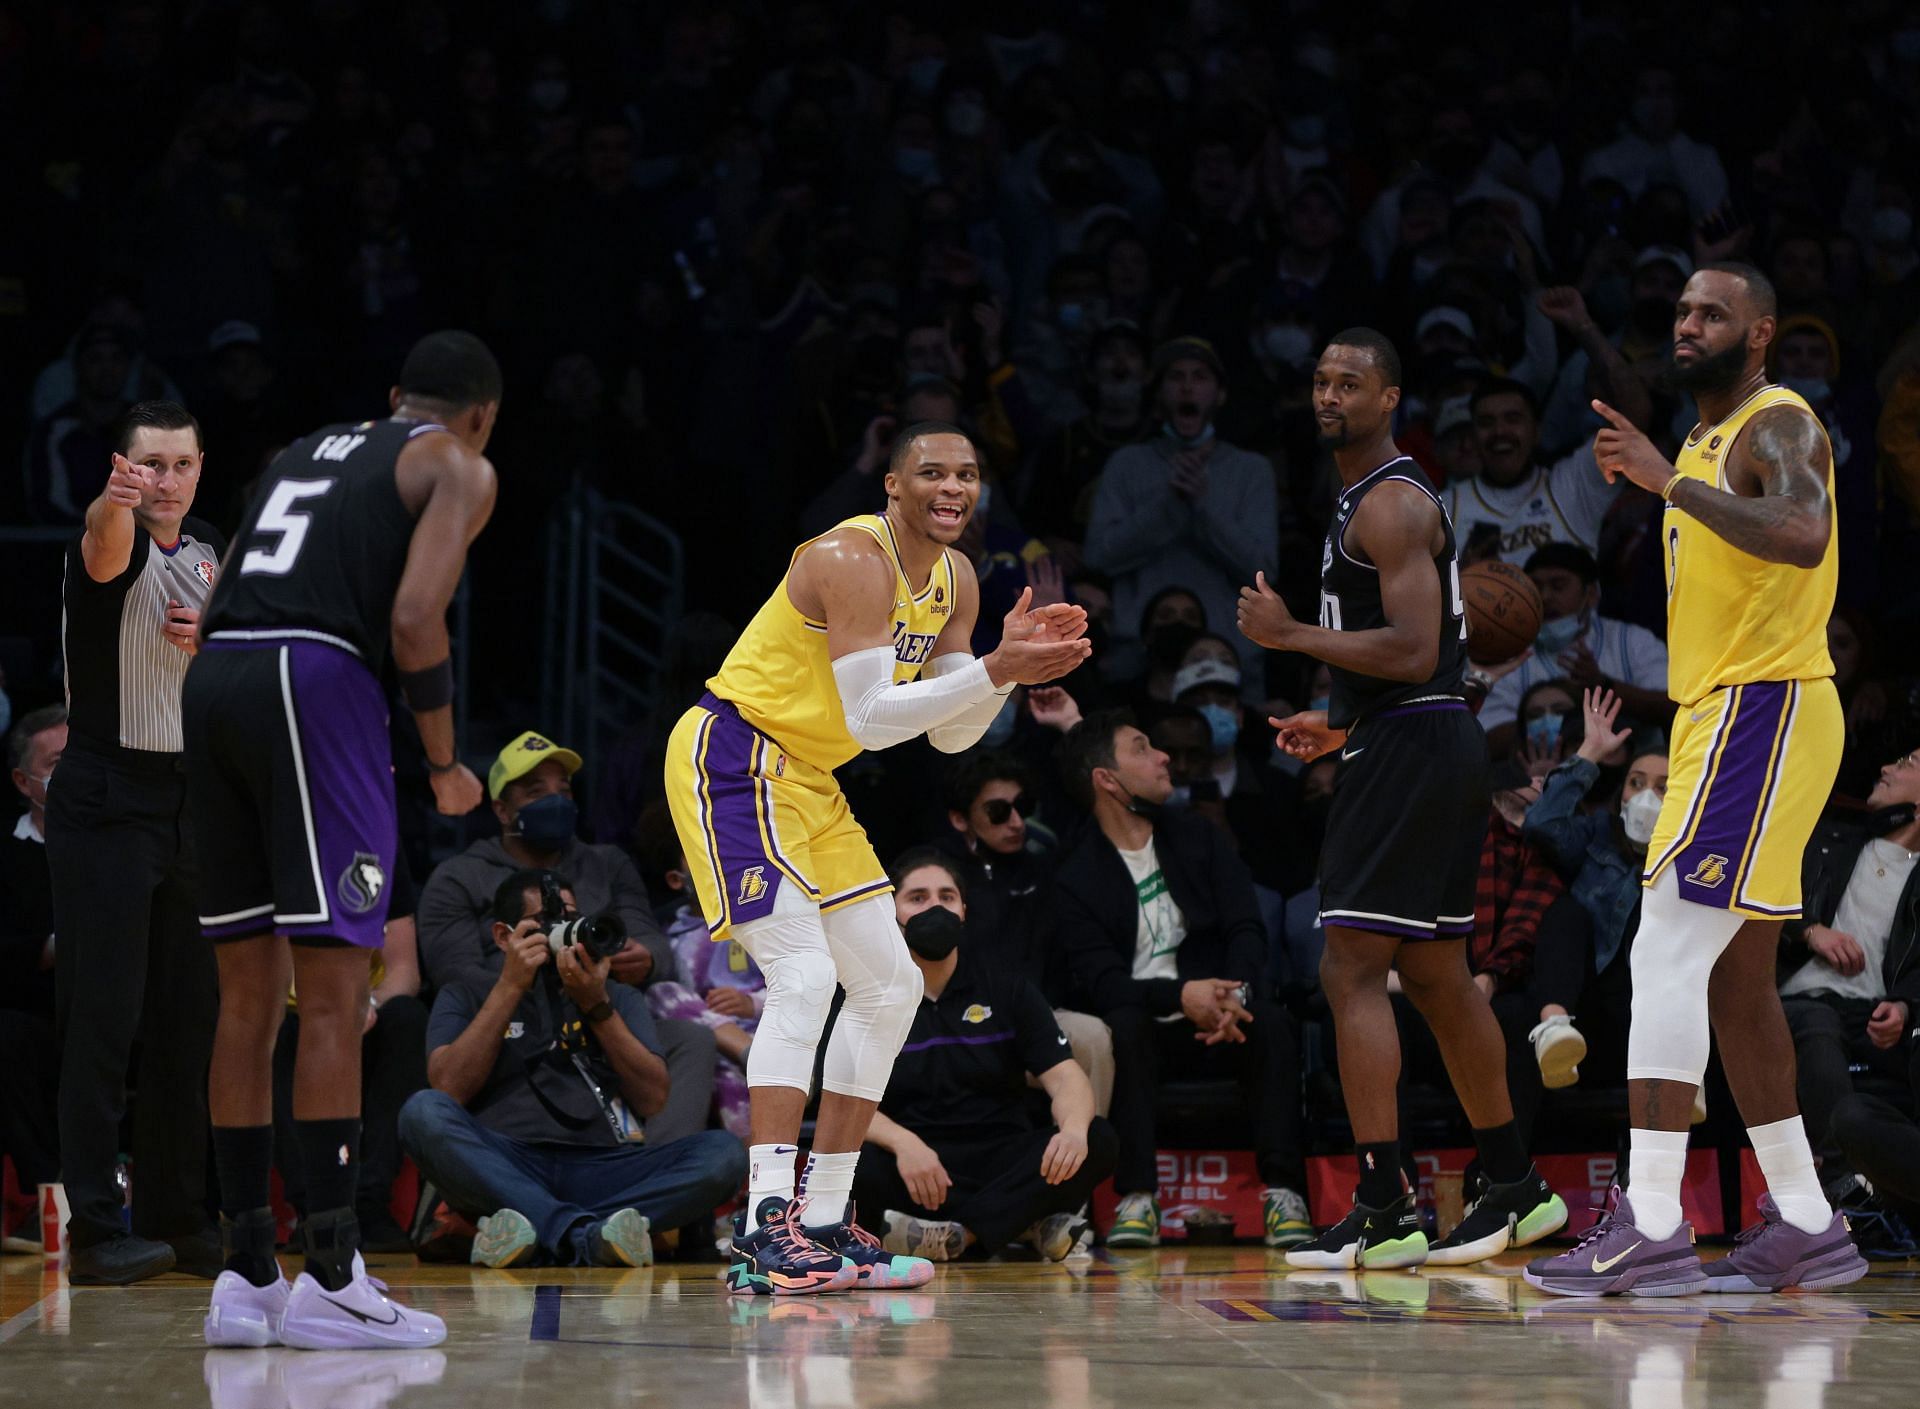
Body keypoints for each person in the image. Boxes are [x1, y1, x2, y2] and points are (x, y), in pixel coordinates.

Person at [662, 419, 1090, 1295]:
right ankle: (762, 1226)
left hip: (809, 776)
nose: (952, 486)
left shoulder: (959, 579)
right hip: (736, 754)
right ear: (892, 486)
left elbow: (949, 733)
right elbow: (869, 721)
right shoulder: (852, 559)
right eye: (931, 471)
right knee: (805, 975)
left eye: (967, 474)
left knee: (890, 985)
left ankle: (823, 1217)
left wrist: (1004, 672)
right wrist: (996, 667)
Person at [1525, 263, 1868, 1296]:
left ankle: (1655, 1217)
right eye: (1679, 310)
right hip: (1731, 713)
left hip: (1761, 707)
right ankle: (1808, 1215)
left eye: (1712, 311)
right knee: (1732, 974)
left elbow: (1805, 535)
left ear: (1761, 332)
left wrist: (1668, 481)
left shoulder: (1779, 422)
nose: (1688, 324)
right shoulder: (1710, 442)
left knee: (1664, 950)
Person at [184, 330, 503, 1349]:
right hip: (314, 679)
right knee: (332, 992)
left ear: (394, 394)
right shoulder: (457, 459)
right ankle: (330, 1272)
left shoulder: (300, 451)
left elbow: (228, 581)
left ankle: (244, 1276)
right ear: (482, 414)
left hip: (219, 673)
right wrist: (446, 757)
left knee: (245, 996)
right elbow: (416, 618)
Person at [1237, 329, 1564, 1270]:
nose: (1330, 394)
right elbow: (1416, 665)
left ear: (1391, 399)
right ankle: (1513, 1181)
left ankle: (1384, 1201)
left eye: (1352, 382)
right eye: (1321, 380)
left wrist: (1293, 633)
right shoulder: (1367, 498)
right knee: (1433, 974)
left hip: (1416, 745)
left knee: (1349, 971)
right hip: (1415, 738)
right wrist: (1340, 724)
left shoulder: (1388, 503)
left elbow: (1418, 652)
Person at [47, 400, 223, 1285]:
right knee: (102, 1019)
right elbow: (104, 539)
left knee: (187, 1022)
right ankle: (94, 1229)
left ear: (199, 469)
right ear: (123, 466)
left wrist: (220, 646)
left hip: (188, 802)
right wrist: (109, 500)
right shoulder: (107, 536)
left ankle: (176, 1214)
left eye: (179, 464)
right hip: (107, 793)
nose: (164, 478)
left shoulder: (212, 557)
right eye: (147, 463)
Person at [1051, 709, 1312, 1250]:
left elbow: (1246, 925)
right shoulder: (1075, 874)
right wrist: (1179, 996)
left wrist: (1232, 993)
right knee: (1122, 1025)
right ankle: (1137, 1198)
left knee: (1276, 1025)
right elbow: (1101, 982)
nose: (1163, 755)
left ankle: (1286, 1193)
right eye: (1143, 748)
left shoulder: (1197, 835)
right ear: (1107, 780)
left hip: (1224, 1012)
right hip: (1147, 1018)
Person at [399, 871, 746, 1268]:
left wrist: (596, 1007)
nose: (562, 932)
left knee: (723, 1154)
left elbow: (654, 1098)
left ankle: (545, 1229)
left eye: (569, 919)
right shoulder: (468, 990)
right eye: (546, 923)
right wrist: (510, 987)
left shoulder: (613, 994)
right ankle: (584, 1236)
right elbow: (448, 1088)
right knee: (422, 1112)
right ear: (502, 936)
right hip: (505, 1164)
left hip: (604, 1167)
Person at [415, 731, 717, 1147]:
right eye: (535, 792)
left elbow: (655, 944)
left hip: (598, 1015)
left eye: (564, 789)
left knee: (691, 1040)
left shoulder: (607, 863)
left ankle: (652, 1177)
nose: (555, 801)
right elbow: (454, 971)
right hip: (507, 1025)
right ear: (503, 810)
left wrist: (641, 960)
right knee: (431, 1101)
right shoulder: (458, 877)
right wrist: (529, 982)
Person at [857, 851, 1116, 1262]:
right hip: (919, 1165)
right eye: (917, 898)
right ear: (892, 912)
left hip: (1002, 1157)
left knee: (1097, 1137)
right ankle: (1023, 1223)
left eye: (947, 896)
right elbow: (846, 1101)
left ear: (963, 910)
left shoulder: (1007, 988)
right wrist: (905, 1143)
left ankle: (962, 1237)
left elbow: (1066, 1077)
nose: (934, 907)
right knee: (858, 1163)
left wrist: (1072, 1130)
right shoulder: (866, 997)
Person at [1083, 337, 1279, 681]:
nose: (1188, 387)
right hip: (1136, 655)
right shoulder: (1127, 463)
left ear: (1219, 394)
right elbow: (1099, 557)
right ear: (1158, 393)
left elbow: (1263, 571)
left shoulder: (1252, 470)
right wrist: (1168, 503)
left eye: (1200, 377)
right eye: (1176, 377)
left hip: (1229, 655)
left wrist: (1203, 505)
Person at [1775, 746, 1920, 1208]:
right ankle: (1845, 1183)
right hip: (1803, 1001)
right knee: (1817, 1026)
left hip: (1875, 1015)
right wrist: (1810, 931)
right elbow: (1762, 903)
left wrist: (1905, 1005)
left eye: (1906, 763)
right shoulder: (1827, 841)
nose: (1886, 766)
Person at [1475, 544, 1670, 744]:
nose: (1545, 597)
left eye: (1558, 586)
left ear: (1592, 594)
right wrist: (1561, 721)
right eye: (1536, 588)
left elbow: (1673, 707)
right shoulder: (1509, 654)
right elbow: (1489, 736)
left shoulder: (1631, 640)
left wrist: (1604, 687)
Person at [1444, 374, 1646, 566]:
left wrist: (1588, 335)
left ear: (1536, 432)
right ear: (1473, 437)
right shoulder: (1444, 508)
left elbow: (1635, 413)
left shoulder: (1573, 484)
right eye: (1486, 423)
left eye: (1513, 419)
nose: (1500, 431)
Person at [1, 707, 64, 1232]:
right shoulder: (7, 854)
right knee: (8, 1037)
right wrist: (48, 949)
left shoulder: (125, 849)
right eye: (58, 763)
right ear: (25, 781)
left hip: (120, 1013)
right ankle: (51, 1198)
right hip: (37, 1013)